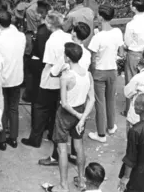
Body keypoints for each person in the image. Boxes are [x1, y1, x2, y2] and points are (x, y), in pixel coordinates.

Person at [22, 11, 72, 151]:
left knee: (40, 107)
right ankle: (52, 132)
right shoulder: (67, 36)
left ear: (49, 24)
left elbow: (48, 62)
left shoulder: (51, 41)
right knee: (55, 108)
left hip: (50, 78)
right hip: (63, 78)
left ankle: (35, 138)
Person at [51, 43, 95, 192]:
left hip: (66, 115)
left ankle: (64, 185)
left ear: (67, 57)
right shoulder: (87, 74)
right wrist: (82, 118)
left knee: (62, 148)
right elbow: (92, 99)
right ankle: (82, 180)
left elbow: (64, 103)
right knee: (78, 145)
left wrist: (77, 115)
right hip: (82, 110)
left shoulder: (66, 76)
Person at [88, 5, 123, 143]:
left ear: (101, 17)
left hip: (100, 71)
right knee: (110, 100)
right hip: (112, 70)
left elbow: (93, 59)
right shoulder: (117, 32)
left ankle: (101, 134)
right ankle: (110, 126)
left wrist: (92, 73)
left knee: (99, 102)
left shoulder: (98, 37)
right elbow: (121, 52)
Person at [0, 9, 26, 150]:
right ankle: (14, 137)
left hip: (3, 79)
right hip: (17, 77)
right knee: (14, 108)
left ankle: (2, 140)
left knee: (2, 109)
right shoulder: (21, 36)